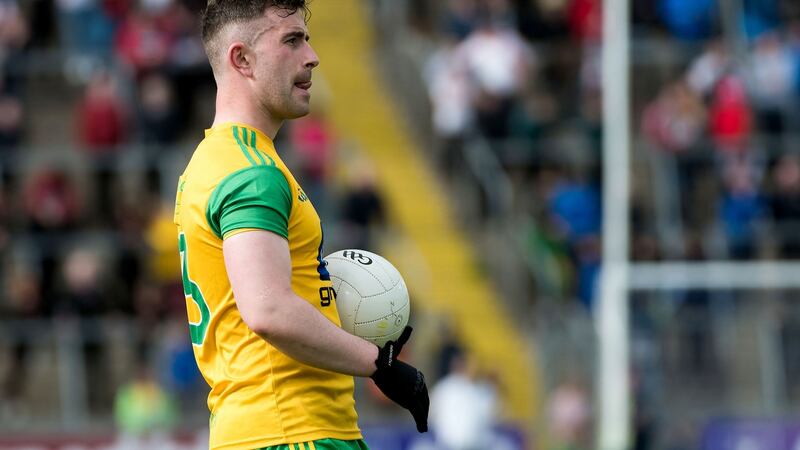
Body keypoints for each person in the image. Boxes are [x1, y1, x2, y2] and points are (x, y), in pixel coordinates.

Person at [172, 2, 429, 450]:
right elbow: (268, 310)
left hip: (268, 429)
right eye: (291, 40)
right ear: (242, 59)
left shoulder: (214, 162)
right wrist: (381, 365)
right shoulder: (250, 171)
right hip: (292, 432)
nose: (311, 56)